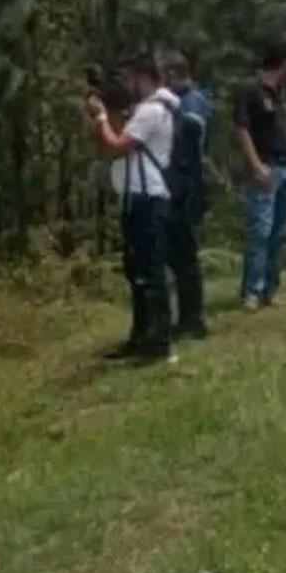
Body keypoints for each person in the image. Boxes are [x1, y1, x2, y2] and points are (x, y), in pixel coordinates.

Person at [85, 52, 180, 365]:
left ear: (144, 77)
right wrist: (106, 116)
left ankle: (159, 341)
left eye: (130, 78)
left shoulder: (152, 110)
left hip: (147, 198)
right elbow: (110, 143)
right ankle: (142, 336)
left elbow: (117, 145)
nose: (127, 85)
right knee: (137, 270)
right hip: (137, 197)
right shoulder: (147, 110)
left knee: (151, 272)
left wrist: (101, 117)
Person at [232, 37, 286, 310]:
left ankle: (270, 288)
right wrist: (255, 165)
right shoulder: (249, 89)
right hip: (265, 166)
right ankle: (252, 289)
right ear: (284, 62)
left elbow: (282, 127)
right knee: (260, 230)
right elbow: (241, 129)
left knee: (281, 231)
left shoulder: (280, 91)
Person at [159, 49, 212, 340]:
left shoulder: (193, 100)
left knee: (185, 255)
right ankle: (186, 315)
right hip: (172, 185)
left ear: (174, 74)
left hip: (186, 187)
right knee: (176, 255)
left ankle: (194, 318)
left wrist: (169, 110)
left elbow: (193, 129)